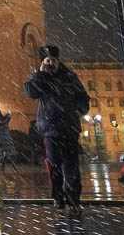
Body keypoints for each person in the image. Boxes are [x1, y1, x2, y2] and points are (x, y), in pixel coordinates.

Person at [24, 44, 90, 214]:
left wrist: (76, 111)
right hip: (50, 129)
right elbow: (31, 92)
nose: (51, 63)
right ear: (43, 62)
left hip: (69, 127)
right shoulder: (41, 78)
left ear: (58, 61)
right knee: (54, 164)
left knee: (71, 165)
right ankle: (58, 196)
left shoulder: (70, 77)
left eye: (53, 60)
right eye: (47, 60)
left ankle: (74, 199)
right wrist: (39, 73)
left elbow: (83, 98)